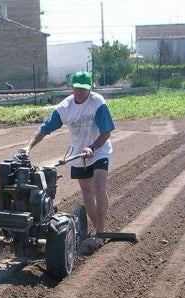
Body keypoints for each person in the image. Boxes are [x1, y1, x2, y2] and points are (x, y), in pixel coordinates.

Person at [19, 71, 115, 254]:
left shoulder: (97, 103)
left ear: (90, 89)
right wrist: (28, 147)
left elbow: (106, 132)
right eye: (77, 88)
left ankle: (100, 232)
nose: (80, 92)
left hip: (99, 150)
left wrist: (93, 148)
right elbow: (45, 128)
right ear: (72, 87)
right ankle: (98, 232)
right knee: (87, 193)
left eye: (83, 89)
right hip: (78, 154)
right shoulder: (65, 107)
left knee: (99, 187)